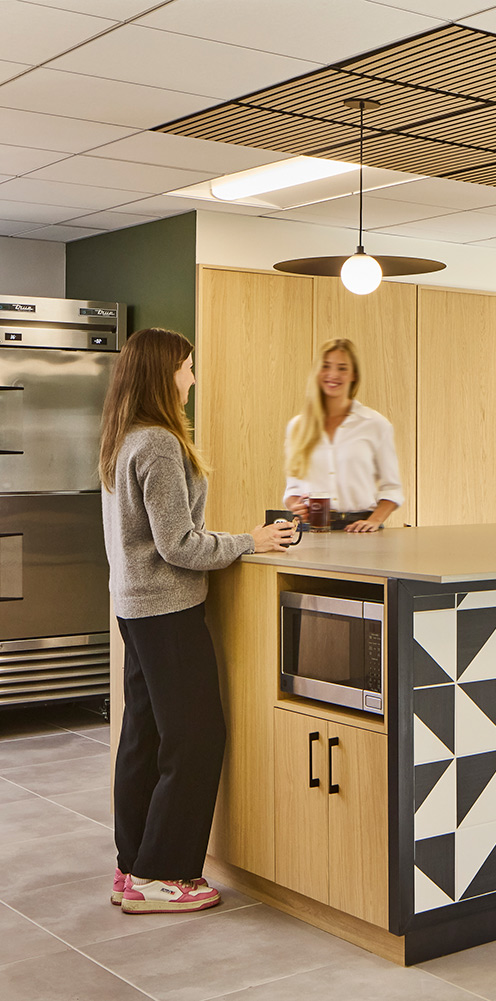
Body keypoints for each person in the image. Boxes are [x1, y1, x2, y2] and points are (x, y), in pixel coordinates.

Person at [100, 327, 297, 914]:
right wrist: (250, 540)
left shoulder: (123, 438)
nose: (191, 378)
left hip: (134, 607)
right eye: (186, 367)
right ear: (164, 374)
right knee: (195, 739)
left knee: (144, 737)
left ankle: (133, 867)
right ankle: (164, 876)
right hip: (167, 609)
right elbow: (178, 545)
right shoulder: (160, 443)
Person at [283, 338, 403, 532]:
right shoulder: (297, 427)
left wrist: (374, 520)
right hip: (310, 530)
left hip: (361, 532)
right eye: (326, 366)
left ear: (354, 374)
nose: (333, 374)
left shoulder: (375, 425)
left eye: (342, 368)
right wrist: (296, 506)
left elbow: (392, 488)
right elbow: (293, 490)